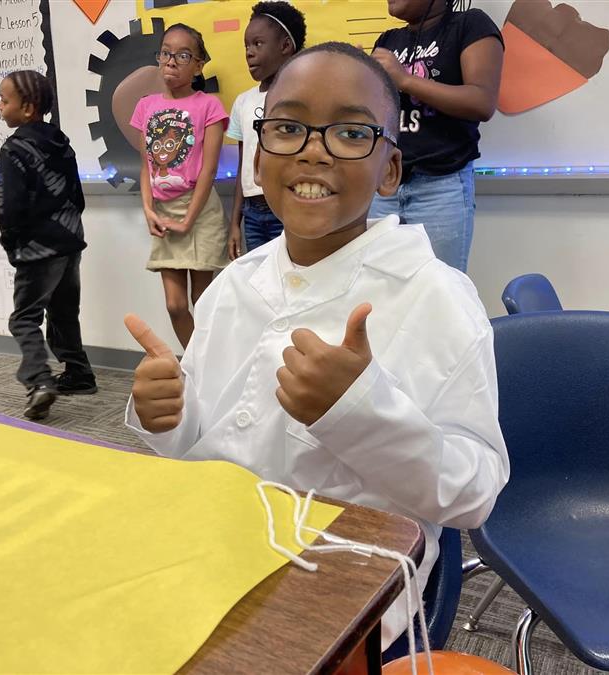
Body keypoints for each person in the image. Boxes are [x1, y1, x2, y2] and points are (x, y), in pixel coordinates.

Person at [123, 42, 508, 653]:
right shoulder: (233, 287)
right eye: (287, 127)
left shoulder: (433, 296)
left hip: (341, 591)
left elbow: (475, 493)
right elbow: (202, 434)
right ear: (257, 158)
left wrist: (358, 411)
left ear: (389, 169)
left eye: (352, 132)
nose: (312, 148)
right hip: (213, 555)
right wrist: (164, 414)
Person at [368, 0, 504, 272]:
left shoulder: (470, 25)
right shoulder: (388, 40)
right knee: (379, 288)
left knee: (440, 292)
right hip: (383, 185)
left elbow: (482, 101)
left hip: (441, 186)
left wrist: (404, 80)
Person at [0, 70, 96, 421]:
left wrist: (11, 242)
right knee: (64, 311)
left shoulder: (14, 149)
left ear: (28, 109)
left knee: (24, 317)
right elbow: (77, 197)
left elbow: (10, 206)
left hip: (37, 249)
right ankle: (79, 373)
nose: (0, 108)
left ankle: (39, 382)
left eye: (5, 101)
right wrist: (68, 230)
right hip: (69, 242)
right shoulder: (62, 143)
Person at [130, 23, 229, 348]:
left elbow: (209, 169)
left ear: (199, 65)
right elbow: (146, 165)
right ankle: (196, 363)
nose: (171, 61)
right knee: (175, 306)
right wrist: (147, 209)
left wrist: (188, 219)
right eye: (166, 53)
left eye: (183, 55)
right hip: (163, 212)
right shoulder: (146, 106)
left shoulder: (209, 106)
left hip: (199, 211)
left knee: (204, 302)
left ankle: (209, 366)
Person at [226, 1, 306, 260]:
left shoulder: (302, 95)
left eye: (257, 44)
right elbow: (243, 166)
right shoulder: (243, 102)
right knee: (261, 284)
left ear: (285, 46)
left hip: (287, 209)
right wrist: (234, 223)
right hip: (252, 214)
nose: (249, 53)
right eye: (246, 46)